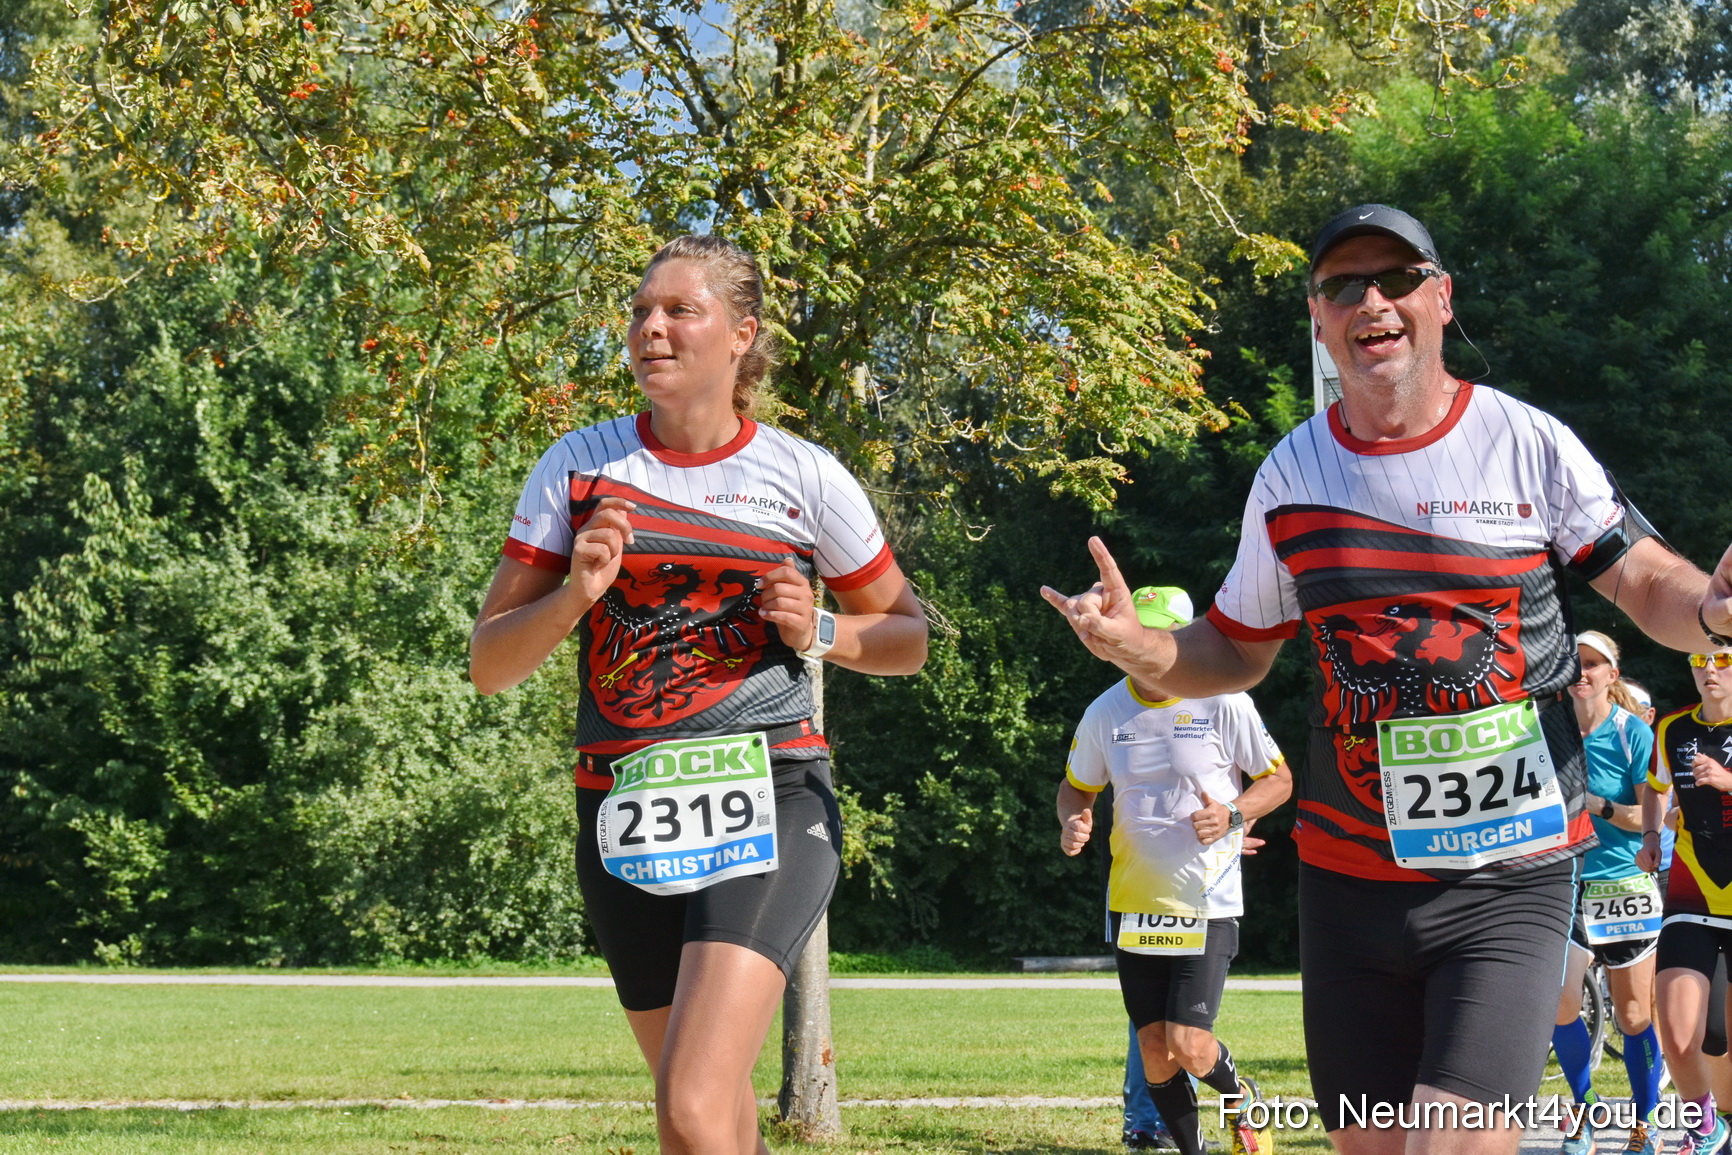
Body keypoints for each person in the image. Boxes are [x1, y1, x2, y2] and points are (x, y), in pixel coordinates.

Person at [1041, 202, 1732, 1155]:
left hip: (1513, 871)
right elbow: (1237, 645)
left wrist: (1712, 607)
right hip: (1351, 883)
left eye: (1398, 278)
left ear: (1441, 299)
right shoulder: (1292, 472)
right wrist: (1139, 648)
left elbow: (1644, 576)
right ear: (1320, 319)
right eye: (1343, 285)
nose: (1373, 299)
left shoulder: (1523, 440)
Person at [469, 235, 928, 1155]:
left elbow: (908, 638)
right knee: (711, 1120)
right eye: (641, 310)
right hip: (622, 811)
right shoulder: (577, 467)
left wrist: (820, 631)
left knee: (687, 1102)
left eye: (681, 310)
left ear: (740, 335)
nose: (652, 328)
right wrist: (574, 595)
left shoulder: (804, 474)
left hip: (769, 794)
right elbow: (490, 662)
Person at [1057, 585, 1293, 1155]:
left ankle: (1242, 1094)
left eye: (1163, 635)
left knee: (1189, 1043)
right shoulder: (1104, 711)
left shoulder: (1225, 699)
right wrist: (1073, 821)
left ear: (1183, 642)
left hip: (1205, 902)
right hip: (1134, 902)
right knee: (1156, 1050)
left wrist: (1233, 813)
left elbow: (1279, 782)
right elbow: (1075, 790)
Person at [1549, 632, 1661, 1155]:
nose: (1583, 672)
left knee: (1636, 1015)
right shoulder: (1544, 733)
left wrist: (1592, 803)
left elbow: (1646, 819)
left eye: (1594, 664)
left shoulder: (1632, 733)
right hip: (1562, 881)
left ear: (1612, 675)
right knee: (1560, 1004)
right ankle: (1585, 1107)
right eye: (1576, 663)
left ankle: (1645, 1121)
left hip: (1622, 882)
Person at [1642, 645, 1732, 1155]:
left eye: (1721, 660)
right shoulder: (1672, 728)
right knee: (1677, 1035)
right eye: (1700, 662)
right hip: (1691, 891)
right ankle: (1706, 1126)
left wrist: (1727, 781)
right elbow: (1655, 787)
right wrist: (1652, 836)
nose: (1709, 670)